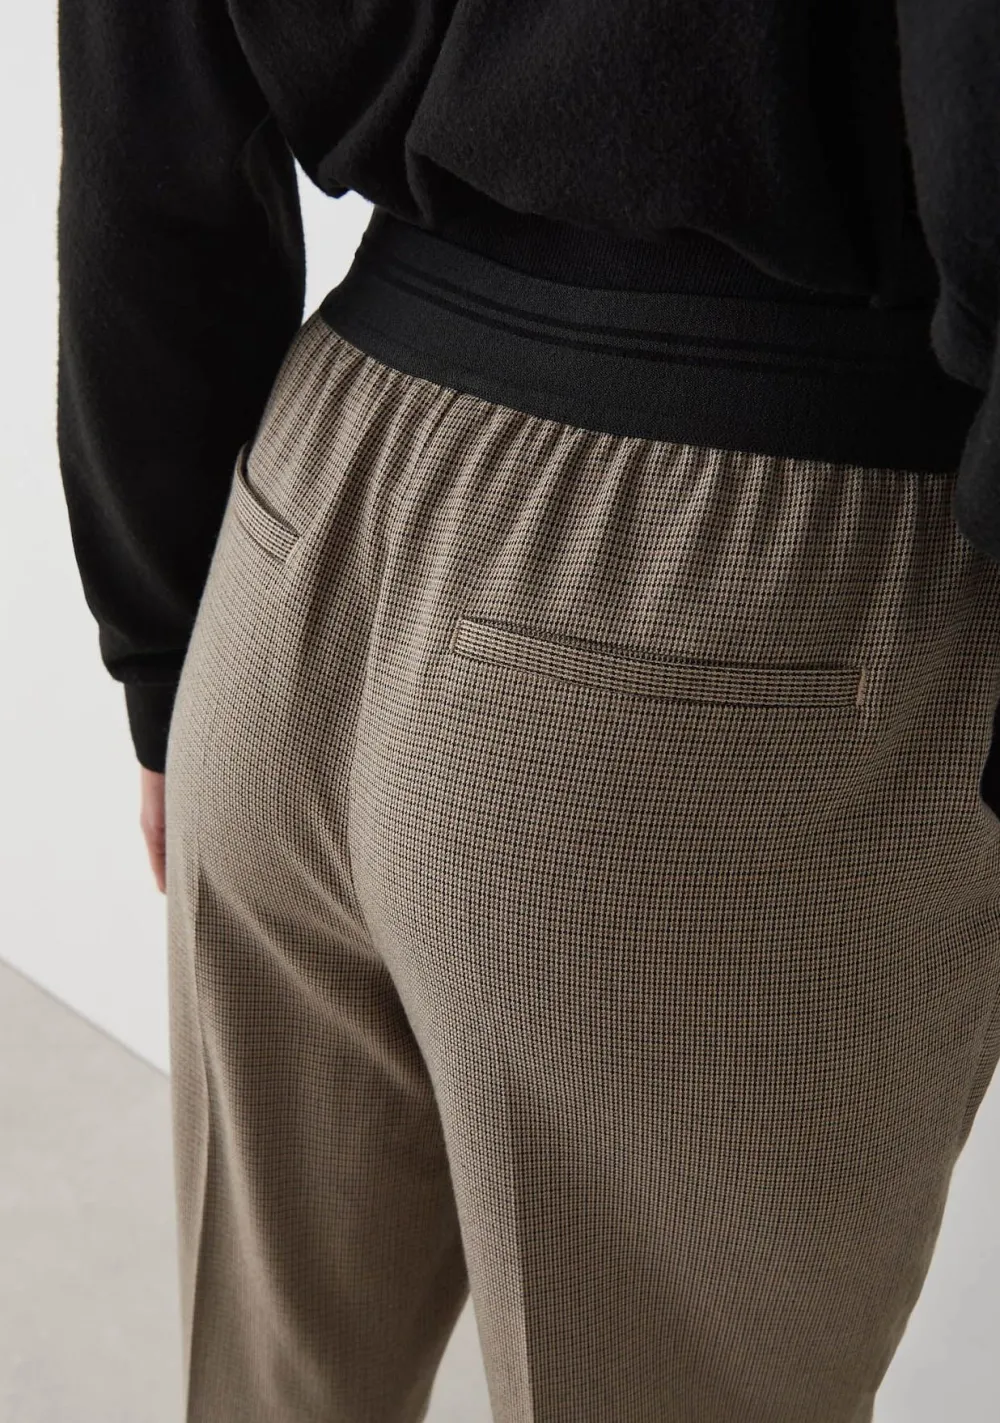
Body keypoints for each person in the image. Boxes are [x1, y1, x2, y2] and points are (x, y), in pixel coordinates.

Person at [55, 2, 1000, 1420]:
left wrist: (167, 650)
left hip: (303, 524)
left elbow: (148, 123)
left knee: (272, 1386)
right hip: (747, 619)